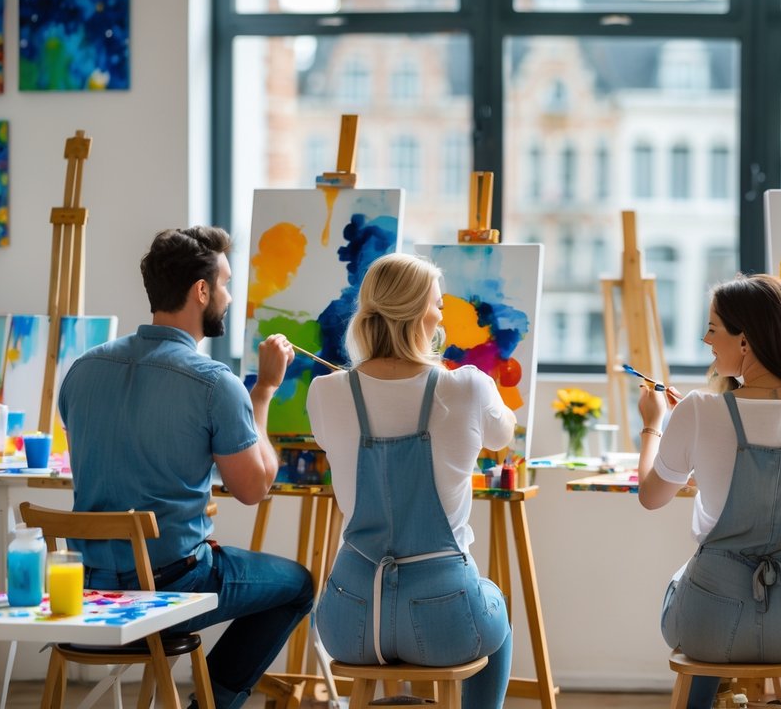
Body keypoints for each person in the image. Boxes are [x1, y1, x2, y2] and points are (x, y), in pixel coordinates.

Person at [59, 226, 315, 709]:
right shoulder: (214, 383)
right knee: (298, 585)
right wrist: (262, 392)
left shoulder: (82, 369)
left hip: (86, 586)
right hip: (168, 589)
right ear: (202, 291)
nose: (230, 295)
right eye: (226, 284)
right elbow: (254, 487)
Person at [637, 273, 781, 709]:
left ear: (745, 340)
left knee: (685, 582)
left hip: (709, 627)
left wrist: (653, 425)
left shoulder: (699, 409)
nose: (705, 338)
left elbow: (651, 495)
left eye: (713, 328)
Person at [307, 253, 514, 708]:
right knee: (494, 600)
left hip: (349, 619)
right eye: (439, 304)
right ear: (422, 313)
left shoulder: (325, 391)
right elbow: (503, 434)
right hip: (445, 619)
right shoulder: (467, 386)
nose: (442, 313)